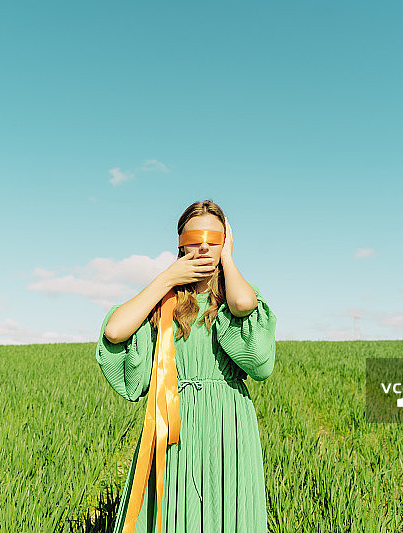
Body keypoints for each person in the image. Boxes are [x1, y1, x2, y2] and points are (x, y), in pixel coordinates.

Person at [96, 199, 277, 532]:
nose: (204, 245)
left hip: (227, 421)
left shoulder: (234, 296)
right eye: (195, 238)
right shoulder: (167, 300)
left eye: (214, 238)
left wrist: (228, 260)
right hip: (173, 418)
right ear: (180, 244)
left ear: (226, 241)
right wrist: (167, 278)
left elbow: (243, 306)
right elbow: (114, 330)